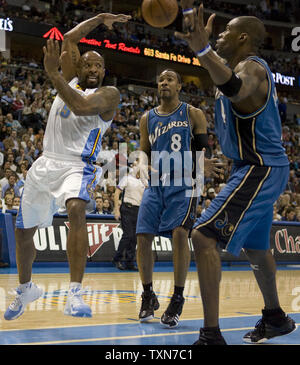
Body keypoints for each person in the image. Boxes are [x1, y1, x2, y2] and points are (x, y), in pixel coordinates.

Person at [176, 2, 296, 344]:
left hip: (261, 167)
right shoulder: (234, 68)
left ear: (243, 37)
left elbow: (237, 90)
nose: (220, 35)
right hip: (254, 167)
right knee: (257, 250)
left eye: (227, 32)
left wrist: (202, 49)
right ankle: (275, 318)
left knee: (202, 236)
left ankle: (211, 335)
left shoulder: (253, 68)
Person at [4, 12, 131, 321]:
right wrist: (101, 18)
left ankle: (75, 293)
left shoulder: (109, 94)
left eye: (97, 65)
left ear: (103, 71)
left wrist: (54, 75)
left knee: (76, 208)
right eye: (86, 63)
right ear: (79, 66)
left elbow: (80, 105)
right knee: (23, 231)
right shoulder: (70, 78)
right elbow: (70, 38)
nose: (90, 68)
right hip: (46, 161)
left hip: (78, 165)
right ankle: (26, 288)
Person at [136, 68, 222, 328]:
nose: (164, 82)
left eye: (169, 79)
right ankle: (148, 294)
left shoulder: (193, 113)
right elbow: (143, 149)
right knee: (142, 236)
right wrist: (140, 163)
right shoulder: (146, 118)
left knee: (179, 233)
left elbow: (201, 150)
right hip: (156, 182)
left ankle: (177, 297)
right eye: (160, 79)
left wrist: (202, 164)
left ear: (179, 86)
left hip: (186, 181)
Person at [112, 166, 145, 271]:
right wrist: (116, 209)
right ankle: (117, 258)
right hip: (127, 208)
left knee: (135, 237)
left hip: (138, 210)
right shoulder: (127, 178)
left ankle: (129, 262)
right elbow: (117, 193)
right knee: (128, 235)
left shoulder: (145, 182)